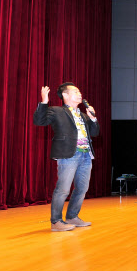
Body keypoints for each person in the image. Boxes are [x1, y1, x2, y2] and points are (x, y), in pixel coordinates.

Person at [33, 83, 98, 232]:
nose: (80, 93)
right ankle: (56, 221)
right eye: (76, 91)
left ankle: (72, 216)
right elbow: (39, 121)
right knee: (63, 189)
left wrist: (93, 118)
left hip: (86, 155)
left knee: (82, 188)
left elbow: (94, 133)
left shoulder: (83, 115)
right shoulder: (57, 111)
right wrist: (44, 102)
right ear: (65, 95)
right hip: (69, 154)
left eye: (79, 91)